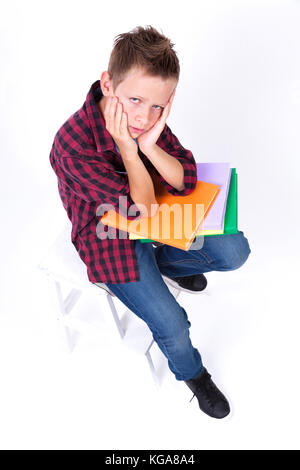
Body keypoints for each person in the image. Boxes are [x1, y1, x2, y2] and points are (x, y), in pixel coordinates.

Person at [49, 25, 251, 419]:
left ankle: (165, 267)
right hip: (108, 238)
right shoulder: (72, 145)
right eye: (136, 100)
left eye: (157, 106)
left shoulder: (144, 120)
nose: (143, 115)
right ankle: (193, 375)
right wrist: (128, 148)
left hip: (156, 214)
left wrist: (148, 146)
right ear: (108, 83)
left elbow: (186, 177)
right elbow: (136, 211)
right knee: (172, 323)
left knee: (234, 250)